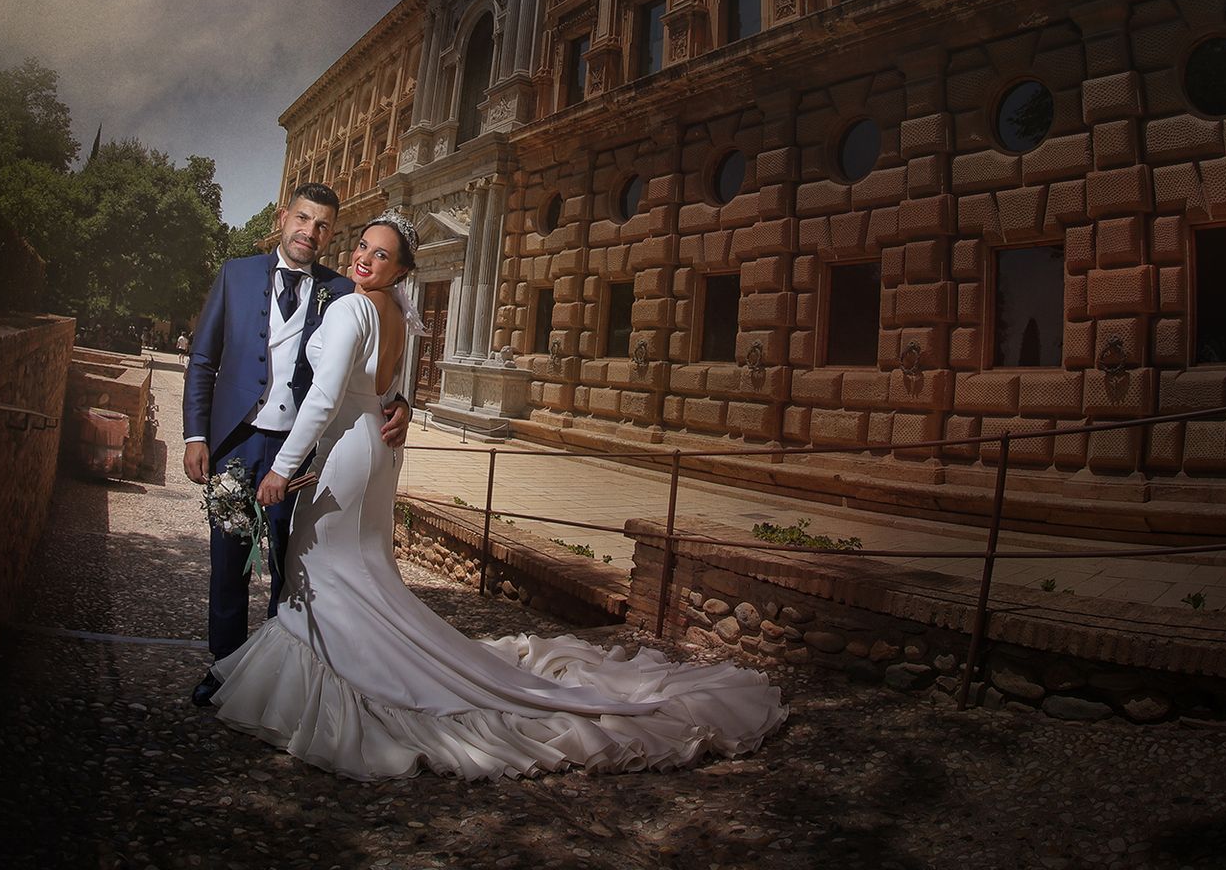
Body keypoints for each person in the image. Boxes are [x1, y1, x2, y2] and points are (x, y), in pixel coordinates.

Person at [210, 211, 786, 780]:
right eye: (362, 245)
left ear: (402, 269)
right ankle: (374, 653)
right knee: (358, 567)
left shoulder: (353, 304)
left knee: (325, 568)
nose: (363, 257)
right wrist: (400, 404)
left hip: (344, 452)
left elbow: (325, 396)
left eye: (381, 253)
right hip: (375, 451)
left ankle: (357, 676)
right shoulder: (394, 312)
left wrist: (283, 468)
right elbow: (384, 386)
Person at [182, 183, 411, 707]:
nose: (311, 231)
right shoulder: (235, 274)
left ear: (332, 234)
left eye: (324, 225)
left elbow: (370, 366)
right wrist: (197, 433)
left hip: (301, 453)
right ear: (284, 218)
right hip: (234, 441)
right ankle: (221, 670)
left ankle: (271, 679)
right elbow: (202, 360)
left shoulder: (344, 288)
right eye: (303, 219)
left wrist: (400, 404)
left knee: (291, 568)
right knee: (227, 559)